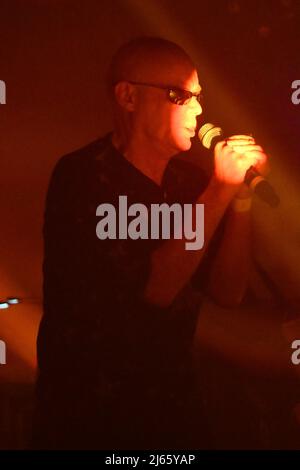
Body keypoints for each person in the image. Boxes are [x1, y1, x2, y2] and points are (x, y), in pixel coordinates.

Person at [33, 36, 267, 449]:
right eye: (181, 95)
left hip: (171, 407)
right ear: (128, 97)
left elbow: (228, 292)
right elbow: (155, 290)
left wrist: (239, 197)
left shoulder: (192, 186)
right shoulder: (83, 177)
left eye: (199, 97)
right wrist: (218, 193)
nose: (198, 109)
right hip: (91, 416)